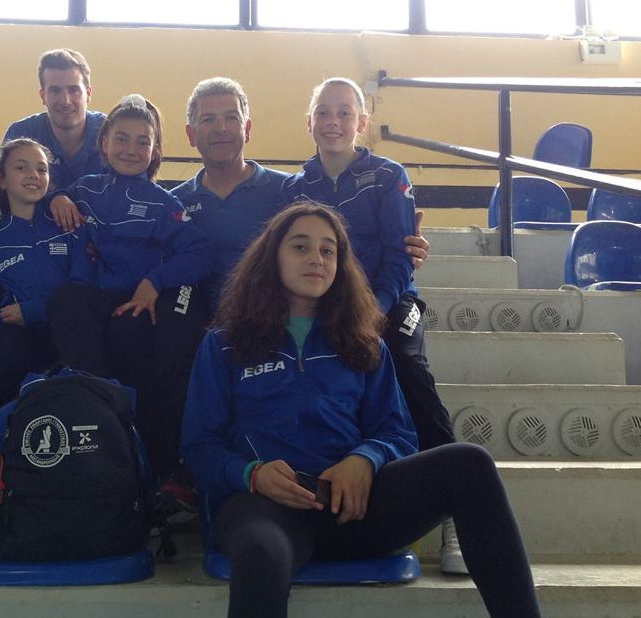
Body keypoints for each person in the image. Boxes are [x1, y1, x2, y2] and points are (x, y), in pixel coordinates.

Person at [181, 203, 541, 618]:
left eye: (328, 250)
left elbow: (398, 433)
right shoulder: (225, 344)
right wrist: (251, 474)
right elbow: (199, 446)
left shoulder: (364, 343)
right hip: (267, 511)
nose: (316, 259)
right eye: (300, 247)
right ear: (272, 258)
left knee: (470, 463)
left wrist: (365, 459)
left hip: (355, 509)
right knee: (260, 552)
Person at [280, 77, 464, 572]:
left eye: (345, 112)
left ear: (361, 122)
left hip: (392, 302)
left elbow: (401, 257)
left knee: (401, 358)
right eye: (324, 112)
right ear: (309, 122)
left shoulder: (388, 175)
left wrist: (373, 311)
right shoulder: (293, 188)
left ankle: (456, 513)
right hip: (324, 305)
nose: (333, 121)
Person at [47, 94, 211, 488]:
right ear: (103, 143)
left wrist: (155, 282)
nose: (131, 149)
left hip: (144, 301)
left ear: (154, 151)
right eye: (121, 139)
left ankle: (157, 458)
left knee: (131, 334)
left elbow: (199, 253)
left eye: (142, 141)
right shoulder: (85, 189)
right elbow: (48, 194)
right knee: (65, 300)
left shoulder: (162, 202)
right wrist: (58, 197)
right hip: (102, 295)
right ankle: (96, 402)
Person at [170, 77, 431, 313]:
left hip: (284, 316)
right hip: (204, 317)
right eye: (208, 119)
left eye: (231, 117)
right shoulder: (174, 203)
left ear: (247, 129)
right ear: (191, 134)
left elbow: (381, 246)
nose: (221, 128)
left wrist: (405, 247)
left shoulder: (287, 189)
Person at [0, 138, 94, 459]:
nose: (33, 175)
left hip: (65, 332)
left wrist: (34, 310)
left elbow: (82, 288)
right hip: (15, 337)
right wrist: (5, 319)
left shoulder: (69, 225)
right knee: (5, 356)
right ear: (1, 180)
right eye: (21, 167)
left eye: (41, 169)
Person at [3, 49, 106, 191]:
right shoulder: (20, 134)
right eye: (55, 91)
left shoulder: (110, 132)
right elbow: (5, 191)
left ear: (88, 94)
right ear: (43, 96)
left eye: (74, 90)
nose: (65, 101)